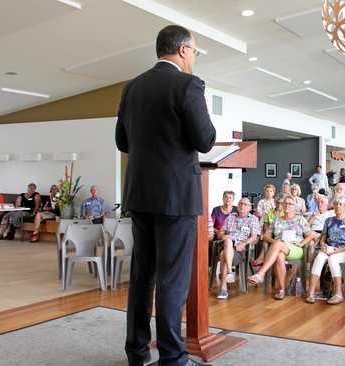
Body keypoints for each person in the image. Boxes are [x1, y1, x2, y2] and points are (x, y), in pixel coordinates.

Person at [115, 24, 216, 366]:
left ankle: (137, 353)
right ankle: (173, 358)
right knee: (172, 281)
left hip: (139, 195)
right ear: (184, 50)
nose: (195, 58)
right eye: (196, 51)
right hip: (175, 198)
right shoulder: (188, 84)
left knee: (142, 276)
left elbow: (122, 142)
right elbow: (205, 140)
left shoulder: (132, 88)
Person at [248, 195, 315, 299]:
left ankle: (260, 274)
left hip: (295, 248)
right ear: (282, 205)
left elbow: (312, 234)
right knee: (279, 255)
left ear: (295, 206)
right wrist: (275, 242)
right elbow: (265, 236)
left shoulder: (300, 219)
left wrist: (302, 243)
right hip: (279, 248)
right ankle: (282, 290)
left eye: (290, 204)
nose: (287, 205)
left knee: (278, 245)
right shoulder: (276, 219)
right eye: (285, 203)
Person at [305, 198, 345, 305]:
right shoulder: (329, 220)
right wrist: (323, 245)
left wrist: (338, 251)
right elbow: (323, 237)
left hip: (344, 251)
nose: (338, 206)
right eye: (336, 204)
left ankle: (338, 294)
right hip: (328, 248)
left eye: (340, 204)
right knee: (319, 257)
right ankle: (311, 292)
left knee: (332, 259)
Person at [216, 197, 260, 300]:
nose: (242, 206)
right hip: (227, 245)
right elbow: (220, 232)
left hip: (240, 250)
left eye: (245, 204)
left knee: (223, 255)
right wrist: (223, 236)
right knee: (227, 240)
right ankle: (230, 272)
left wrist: (244, 243)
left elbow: (254, 237)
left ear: (250, 208)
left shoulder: (253, 219)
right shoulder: (230, 217)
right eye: (240, 203)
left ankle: (224, 288)